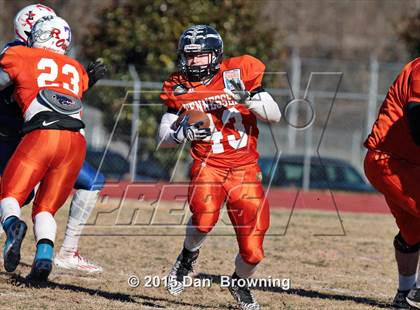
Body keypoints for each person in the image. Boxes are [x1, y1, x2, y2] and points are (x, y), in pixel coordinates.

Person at [157, 24, 281, 310]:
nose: (192, 62)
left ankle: (239, 282)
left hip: (245, 169)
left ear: (215, 55)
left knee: (253, 253)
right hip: (207, 165)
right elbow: (163, 135)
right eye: (188, 56)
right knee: (203, 219)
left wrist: (248, 98)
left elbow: (274, 115)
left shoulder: (239, 73)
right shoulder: (179, 85)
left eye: (199, 55)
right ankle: (187, 257)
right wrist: (179, 134)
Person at [0, 3, 106, 273]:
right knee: (42, 207)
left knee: (12, 194)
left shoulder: (19, 56)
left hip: (37, 137)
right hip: (67, 141)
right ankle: (45, 253)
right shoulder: (72, 66)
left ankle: (62, 248)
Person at [364, 58, 420, 308]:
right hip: (389, 160)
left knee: (412, 233)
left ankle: (404, 295)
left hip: (407, 162)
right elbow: (417, 118)